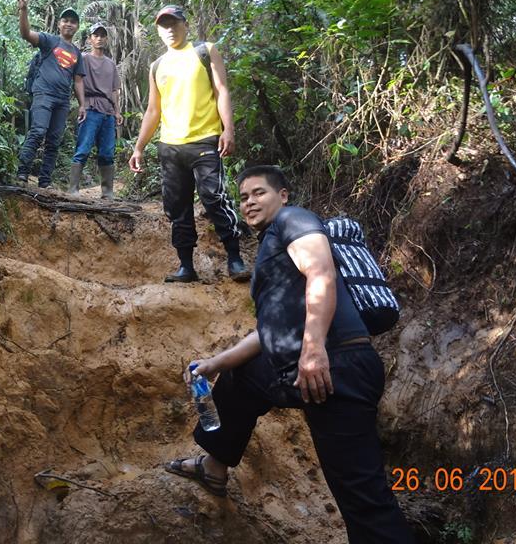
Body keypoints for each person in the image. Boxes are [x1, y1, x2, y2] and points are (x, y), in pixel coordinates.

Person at [164, 165, 414, 544]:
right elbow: (270, 332)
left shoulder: (294, 219)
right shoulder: (272, 247)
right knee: (241, 376)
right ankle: (214, 467)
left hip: (337, 367)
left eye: (258, 193)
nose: (249, 202)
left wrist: (313, 349)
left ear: (282, 195)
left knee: (363, 499)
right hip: (306, 373)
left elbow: (322, 273)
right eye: (244, 196)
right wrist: (217, 363)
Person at [128, 5, 248, 283]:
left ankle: (235, 258)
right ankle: (186, 266)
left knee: (215, 198)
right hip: (170, 146)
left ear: (185, 25)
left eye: (174, 23)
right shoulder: (157, 66)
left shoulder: (205, 51)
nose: (169, 29)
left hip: (205, 140)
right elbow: (153, 111)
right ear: (158, 30)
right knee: (177, 207)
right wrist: (138, 147)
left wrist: (228, 129)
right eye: (163, 25)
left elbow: (222, 91)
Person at [14, 0, 87, 188]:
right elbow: (26, 34)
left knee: (54, 140)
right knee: (38, 131)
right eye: (66, 20)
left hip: (62, 100)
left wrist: (82, 105)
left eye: (73, 21)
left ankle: (45, 182)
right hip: (43, 93)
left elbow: (78, 80)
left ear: (77, 26)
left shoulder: (77, 54)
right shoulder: (50, 41)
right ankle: (22, 173)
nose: (69, 24)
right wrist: (24, 10)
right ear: (59, 24)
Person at [68, 22, 122, 200]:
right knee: (83, 148)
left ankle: (107, 192)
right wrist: (81, 105)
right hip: (90, 107)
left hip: (107, 111)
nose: (99, 38)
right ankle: (73, 189)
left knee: (107, 152)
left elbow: (114, 90)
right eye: (96, 35)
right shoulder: (84, 59)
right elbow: (78, 81)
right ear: (90, 39)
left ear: (106, 39)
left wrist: (117, 111)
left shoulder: (111, 64)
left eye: (102, 35)